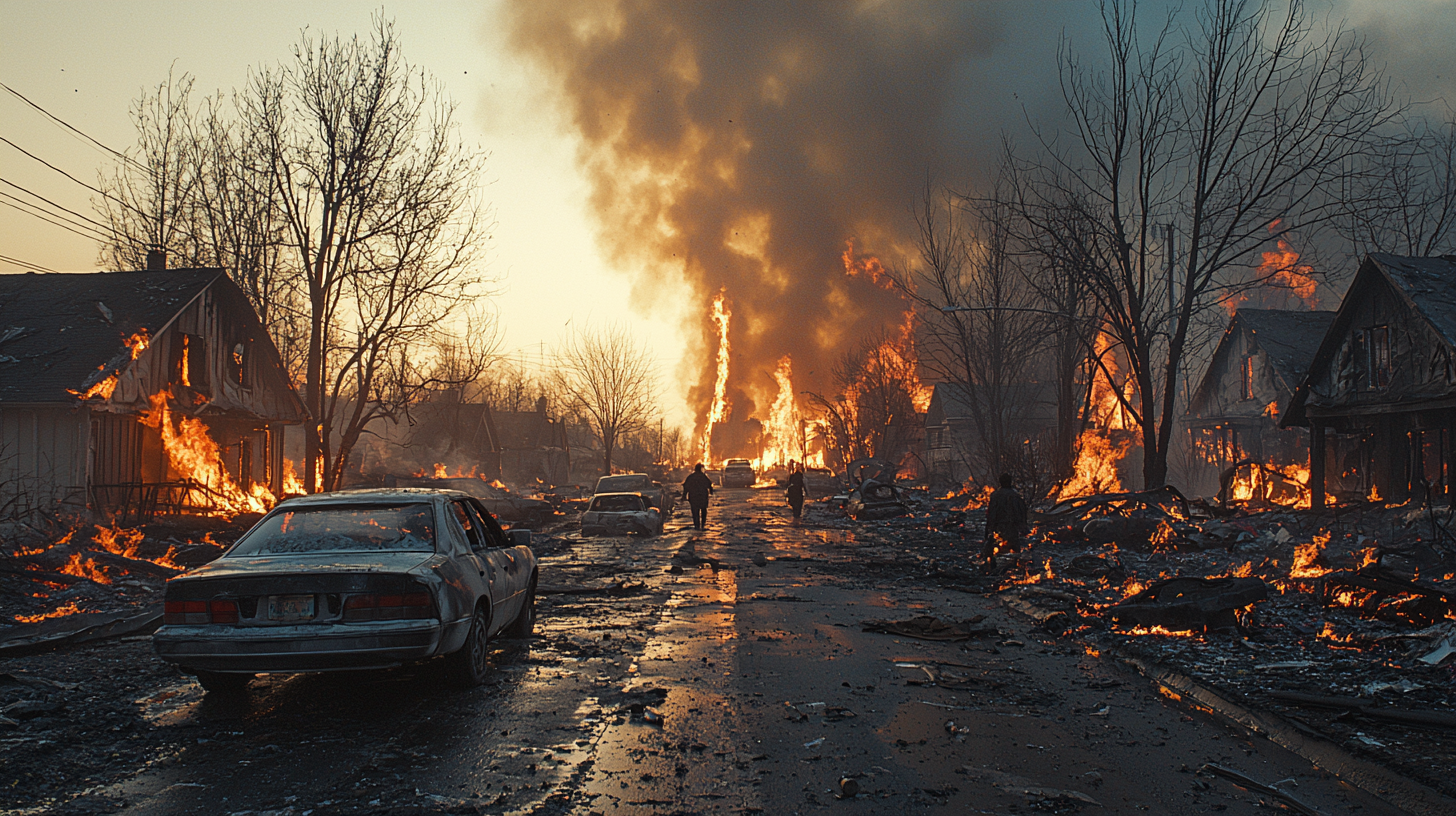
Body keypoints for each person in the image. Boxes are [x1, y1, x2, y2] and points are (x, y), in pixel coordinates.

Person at [982, 472, 1029, 571]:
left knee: (994, 545)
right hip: (1010, 526)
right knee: (1014, 546)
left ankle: (992, 565)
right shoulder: (1014, 496)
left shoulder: (995, 495)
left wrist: (988, 528)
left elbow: (991, 512)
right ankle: (1015, 566)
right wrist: (1023, 526)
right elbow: (1020, 512)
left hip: (997, 525)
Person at [682, 463, 715, 531]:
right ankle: (702, 525)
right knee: (703, 510)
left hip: (693, 497)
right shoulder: (703, 476)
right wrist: (711, 492)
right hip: (702, 496)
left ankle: (697, 526)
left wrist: (684, 496)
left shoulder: (691, 477)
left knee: (695, 512)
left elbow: (686, 487)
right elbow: (709, 484)